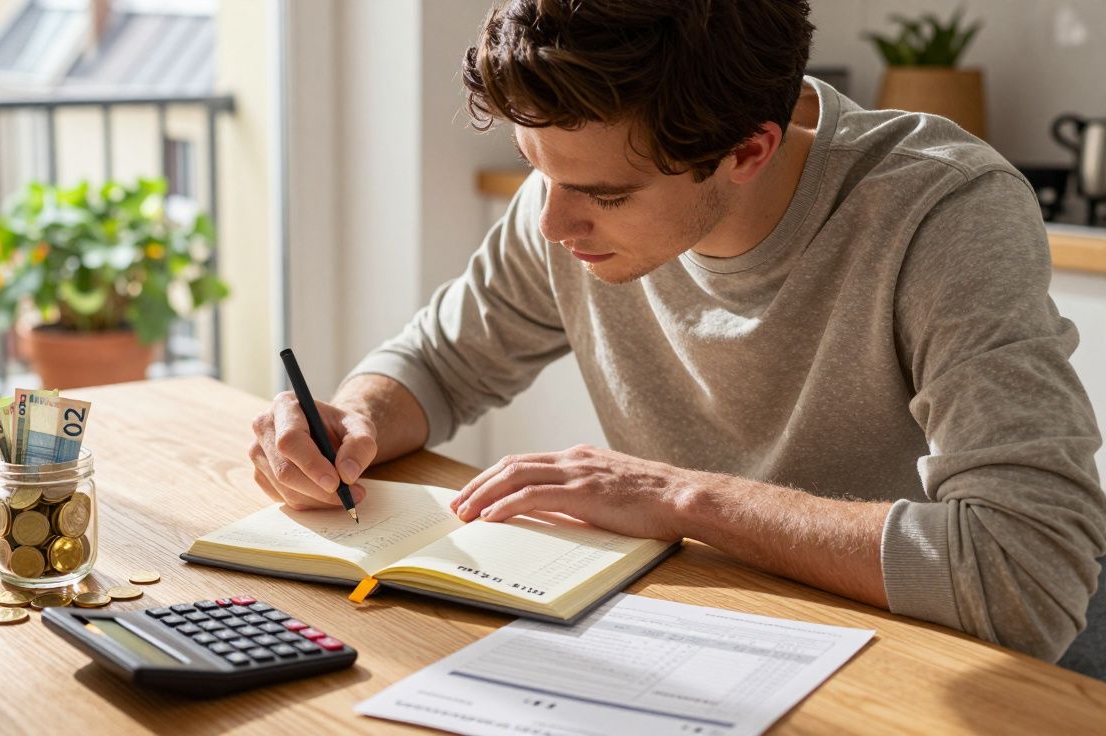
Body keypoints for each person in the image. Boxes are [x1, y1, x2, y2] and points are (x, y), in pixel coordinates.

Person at [247, 0, 1106, 671]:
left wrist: (682, 498)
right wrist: (353, 417)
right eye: (533, 165)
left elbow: (1024, 572)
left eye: (607, 196)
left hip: (908, 661)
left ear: (747, 151)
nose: (551, 222)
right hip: (693, 637)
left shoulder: (942, 212)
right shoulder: (568, 192)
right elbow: (437, 363)